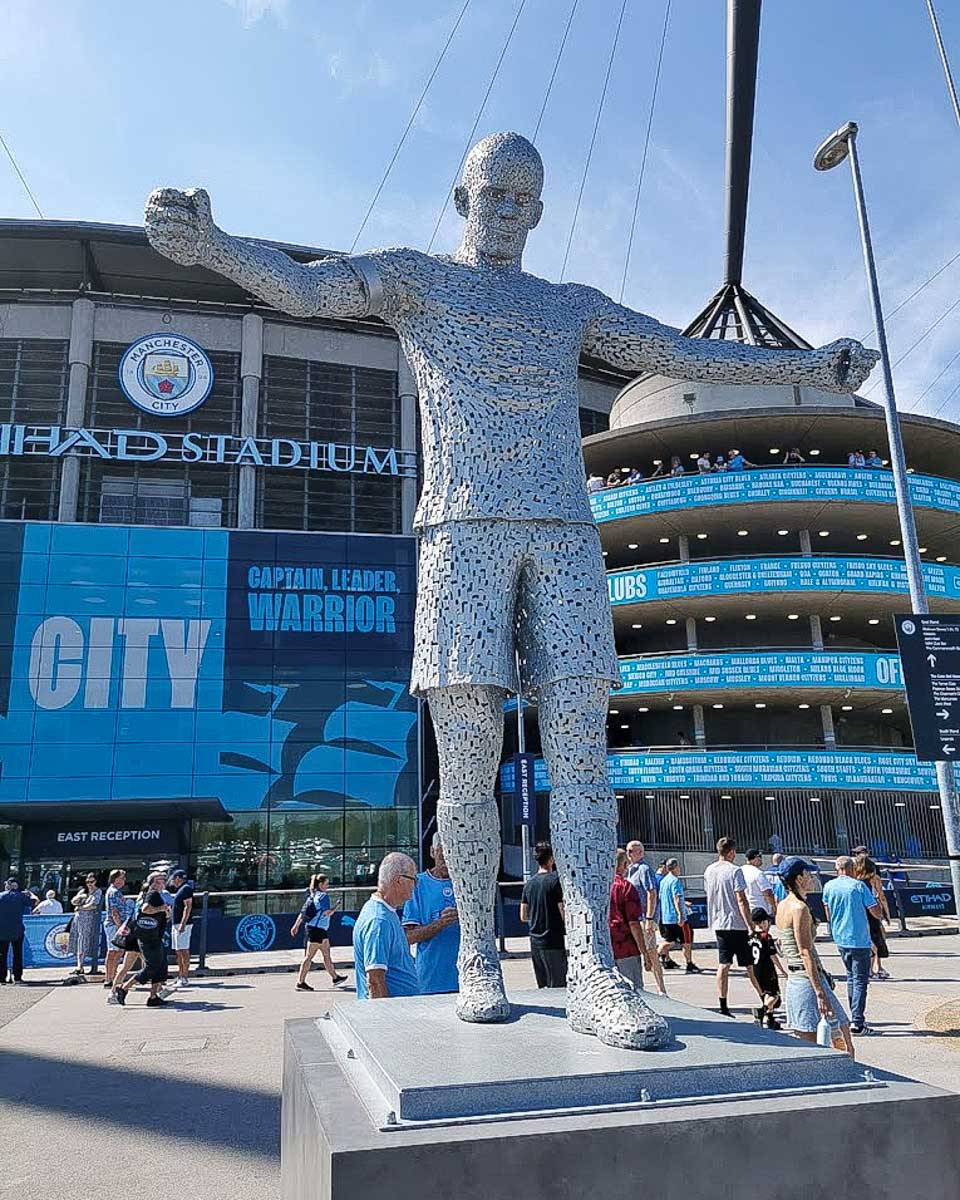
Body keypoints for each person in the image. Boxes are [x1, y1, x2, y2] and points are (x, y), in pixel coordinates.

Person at [146, 131, 875, 1049]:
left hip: (565, 534)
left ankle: (596, 977)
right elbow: (310, 286)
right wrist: (215, 247)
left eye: (522, 201)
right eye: (491, 196)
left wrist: (808, 368)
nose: (504, 213)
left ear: (537, 211)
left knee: (580, 751)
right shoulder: (416, 280)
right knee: (468, 760)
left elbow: (684, 354)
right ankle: (478, 956)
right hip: (459, 534)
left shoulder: (567, 307)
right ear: (463, 200)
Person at [776, 857, 853, 1056]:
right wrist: (820, 992)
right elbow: (805, 951)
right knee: (839, 1043)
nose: (812, 878)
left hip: (797, 981)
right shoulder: (799, 908)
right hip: (808, 981)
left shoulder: (783, 905)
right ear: (799, 878)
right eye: (808, 874)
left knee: (820, 1044)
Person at [703, 837, 766, 1018]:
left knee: (724, 964)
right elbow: (741, 899)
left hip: (719, 922)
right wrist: (750, 925)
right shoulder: (735, 871)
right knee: (749, 965)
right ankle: (764, 1000)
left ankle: (723, 1004)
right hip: (736, 924)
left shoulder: (709, 870)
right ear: (731, 852)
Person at [822, 856, 882, 1036]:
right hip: (859, 938)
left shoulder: (828, 886)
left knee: (851, 977)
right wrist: (877, 899)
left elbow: (828, 911)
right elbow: (876, 912)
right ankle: (858, 1021)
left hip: (841, 937)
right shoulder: (858, 886)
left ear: (837, 869)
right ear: (852, 868)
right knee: (861, 980)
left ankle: (854, 1016)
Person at [353, 853, 420, 1000]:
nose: (415, 885)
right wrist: (386, 1020)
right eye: (414, 879)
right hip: (395, 1015)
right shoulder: (379, 921)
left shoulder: (385, 912)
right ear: (399, 880)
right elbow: (375, 982)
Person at [403, 836, 460, 995]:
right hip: (431, 981)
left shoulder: (465, 882)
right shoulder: (419, 885)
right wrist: (440, 923)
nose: (446, 861)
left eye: (451, 854)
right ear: (432, 852)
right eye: (442, 855)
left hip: (466, 979)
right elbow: (409, 936)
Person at [112, 879, 172, 1008]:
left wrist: (166, 913)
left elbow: (158, 915)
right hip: (148, 938)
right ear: (150, 884)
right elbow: (146, 910)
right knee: (151, 967)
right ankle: (124, 988)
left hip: (154, 936)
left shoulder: (154, 896)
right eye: (156, 882)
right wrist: (163, 908)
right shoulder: (152, 894)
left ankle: (153, 997)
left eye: (162, 881)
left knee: (161, 966)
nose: (160, 884)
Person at [519, 841, 567, 988]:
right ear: (551, 859)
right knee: (558, 986)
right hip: (553, 940)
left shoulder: (529, 883)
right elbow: (562, 911)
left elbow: (523, 916)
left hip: (535, 942)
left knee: (543, 987)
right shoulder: (556, 881)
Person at [291, 873, 347, 990]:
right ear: (320, 884)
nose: (328, 886)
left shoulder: (312, 896)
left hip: (316, 929)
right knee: (309, 957)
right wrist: (337, 906)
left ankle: (335, 977)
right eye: (326, 884)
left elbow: (303, 913)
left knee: (326, 953)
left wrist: (296, 926)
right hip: (317, 930)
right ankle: (300, 982)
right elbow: (327, 913)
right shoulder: (323, 897)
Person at [625, 840, 666, 994]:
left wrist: (649, 918)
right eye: (628, 851)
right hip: (633, 919)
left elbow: (651, 893)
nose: (629, 854)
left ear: (640, 853)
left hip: (644, 918)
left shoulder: (644, 869)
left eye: (632, 851)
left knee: (650, 951)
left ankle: (661, 988)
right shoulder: (629, 870)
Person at [609, 849, 645, 989]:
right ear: (624, 865)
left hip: (605, 948)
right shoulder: (626, 887)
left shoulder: (600, 887)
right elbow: (634, 923)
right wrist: (644, 952)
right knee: (633, 989)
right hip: (626, 947)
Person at [657, 859, 700, 974]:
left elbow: (664, 897)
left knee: (670, 940)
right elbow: (676, 898)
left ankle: (659, 952)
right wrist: (681, 914)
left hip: (666, 916)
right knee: (686, 941)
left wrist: (683, 903)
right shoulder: (675, 881)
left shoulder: (663, 881)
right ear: (675, 867)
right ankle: (689, 963)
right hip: (676, 916)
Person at [854, 855, 892, 982]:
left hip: (860, 911)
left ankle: (870, 969)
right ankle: (877, 967)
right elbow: (881, 896)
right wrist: (886, 913)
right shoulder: (874, 878)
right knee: (877, 938)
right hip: (872, 910)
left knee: (867, 939)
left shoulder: (854, 879)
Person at [748, 908, 785, 1029]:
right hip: (767, 969)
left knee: (766, 995)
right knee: (774, 995)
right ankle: (762, 1012)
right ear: (764, 922)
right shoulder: (766, 937)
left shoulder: (750, 937)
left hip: (756, 970)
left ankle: (770, 1019)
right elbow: (772, 955)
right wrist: (782, 970)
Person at [0, 878, 36, 986]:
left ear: (8, 885)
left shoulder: (1, 896)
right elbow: (34, 902)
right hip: (17, 930)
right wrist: (31, 894)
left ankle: (1, 978)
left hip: (1, 930)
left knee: (2, 955)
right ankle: (17, 977)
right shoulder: (21, 896)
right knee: (17, 954)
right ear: (16, 885)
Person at [103, 869, 134, 989]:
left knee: (118, 952)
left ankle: (113, 976)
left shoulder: (117, 892)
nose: (123, 881)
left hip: (118, 925)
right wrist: (120, 927)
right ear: (115, 879)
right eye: (121, 878)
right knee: (113, 952)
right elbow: (114, 912)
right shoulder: (113, 892)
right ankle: (109, 978)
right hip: (114, 925)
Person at [166, 868, 196, 988]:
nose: (172, 881)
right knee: (178, 951)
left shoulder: (186, 889)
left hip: (182, 924)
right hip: (176, 923)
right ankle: (180, 976)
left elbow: (187, 907)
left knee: (183, 951)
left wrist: (183, 924)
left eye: (173, 879)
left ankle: (184, 977)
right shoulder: (181, 890)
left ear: (178, 879)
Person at [68, 872, 103, 977]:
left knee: (84, 940)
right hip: (78, 918)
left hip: (88, 919)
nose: (89, 884)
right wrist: (80, 896)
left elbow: (93, 905)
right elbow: (73, 901)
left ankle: (81, 965)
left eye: (92, 882)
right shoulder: (84, 891)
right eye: (87, 882)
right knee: (77, 940)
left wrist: (81, 907)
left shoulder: (97, 892)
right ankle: (79, 965)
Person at [741, 849, 777, 918]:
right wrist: (774, 907)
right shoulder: (758, 873)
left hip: (746, 910)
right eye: (760, 856)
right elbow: (768, 893)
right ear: (755, 858)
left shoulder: (740, 871)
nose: (761, 859)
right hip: (760, 910)